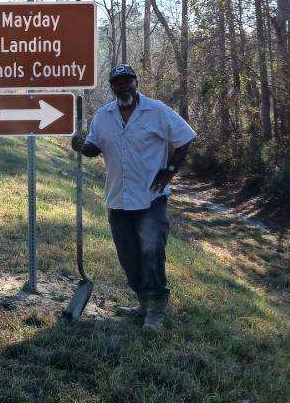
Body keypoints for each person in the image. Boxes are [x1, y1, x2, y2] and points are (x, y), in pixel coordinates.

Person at [71, 64, 196, 333]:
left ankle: (157, 307)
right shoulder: (103, 117)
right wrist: (80, 145)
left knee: (151, 251)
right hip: (117, 200)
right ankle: (143, 303)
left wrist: (170, 170)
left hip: (150, 199)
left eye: (128, 80)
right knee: (129, 258)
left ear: (136, 82)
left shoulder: (157, 111)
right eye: (118, 82)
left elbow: (185, 138)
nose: (123, 86)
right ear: (112, 87)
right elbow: (94, 147)